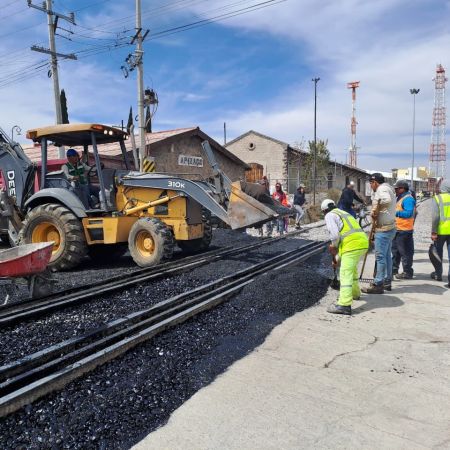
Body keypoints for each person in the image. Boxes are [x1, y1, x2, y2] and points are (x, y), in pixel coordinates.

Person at [321, 199, 369, 315]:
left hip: (352, 245)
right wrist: (337, 258)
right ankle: (355, 293)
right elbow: (345, 234)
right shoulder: (343, 213)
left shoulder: (329, 215)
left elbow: (334, 235)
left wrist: (333, 246)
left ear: (324, 211)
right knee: (352, 270)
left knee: (345, 273)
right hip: (362, 242)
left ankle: (344, 305)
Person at [362, 173, 396, 294]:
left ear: (375, 182)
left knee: (380, 257)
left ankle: (378, 284)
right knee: (386, 256)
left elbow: (386, 200)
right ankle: (387, 281)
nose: (371, 186)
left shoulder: (382, 189)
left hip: (383, 229)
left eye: (371, 183)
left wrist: (376, 210)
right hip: (390, 227)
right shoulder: (388, 188)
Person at [392, 180, 416, 279]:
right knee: (395, 251)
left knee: (405, 252)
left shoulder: (408, 199)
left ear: (402, 188)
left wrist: (395, 213)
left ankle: (407, 272)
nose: (395, 190)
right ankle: (394, 270)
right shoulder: (400, 197)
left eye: (396, 189)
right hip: (397, 229)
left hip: (404, 230)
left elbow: (408, 213)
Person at [430, 179, 450, 287]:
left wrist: (434, 231)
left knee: (438, 253)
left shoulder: (438, 198)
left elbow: (435, 217)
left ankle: (438, 274)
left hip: (441, 231)